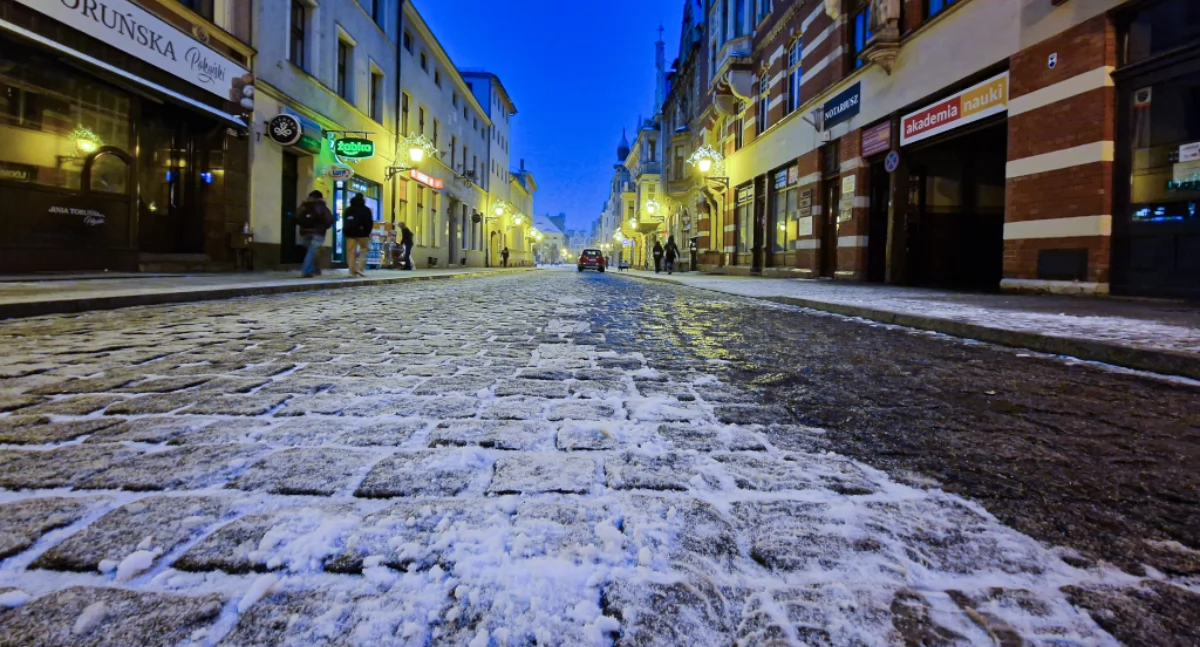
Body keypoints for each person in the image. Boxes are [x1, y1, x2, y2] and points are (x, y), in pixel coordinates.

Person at [296, 190, 334, 278]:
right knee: (312, 251)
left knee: (311, 251)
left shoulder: (304, 206)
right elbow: (329, 220)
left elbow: (296, 218)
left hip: (305, 232)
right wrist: (322, 227)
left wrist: (303, 226)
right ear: (320, 198)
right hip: (317, 232)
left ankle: (316, 270)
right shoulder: (321, 207)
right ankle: (306, 271)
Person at [342, 193, 373, 278]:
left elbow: (344, 221)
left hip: (350, 233)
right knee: (364, 250)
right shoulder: (366, 210)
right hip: (362, 234)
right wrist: (367, 233)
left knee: (351, 252)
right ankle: (360, 269)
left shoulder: (348, 210)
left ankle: (351, 271)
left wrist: (345, 232)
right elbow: (369, 223)